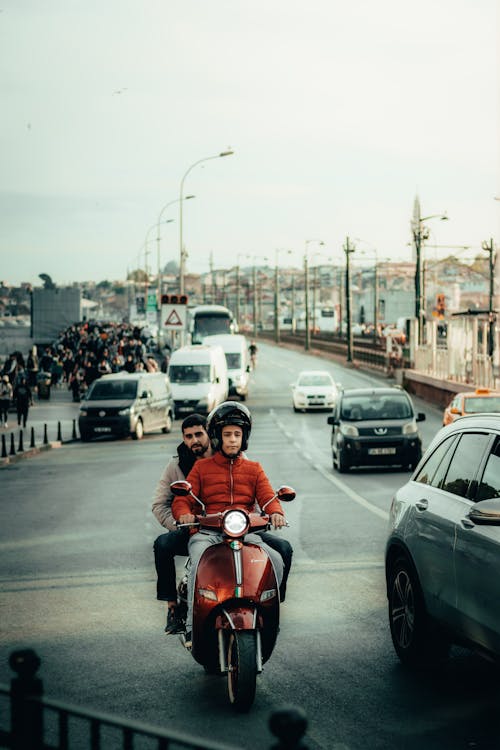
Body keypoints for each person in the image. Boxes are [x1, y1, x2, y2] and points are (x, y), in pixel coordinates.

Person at [172, 401, 291, 648]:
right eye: (227, 435)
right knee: (198, 562)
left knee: (276, 560)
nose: (233, 440)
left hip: (247, 534)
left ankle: (269, 617)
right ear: (217, 437)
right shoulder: (201, 468)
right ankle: (193, 626)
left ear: (244, 437)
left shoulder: (254, 468)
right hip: (208, 533)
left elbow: (268, 498)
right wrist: (184, 513)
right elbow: (183, 499)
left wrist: (276, 512)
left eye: (237, 434)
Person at [152, 413, 214, 634]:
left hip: (228, 528)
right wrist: (180, 525)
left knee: (278, 548)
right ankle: (172, 608)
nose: (194, 440)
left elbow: (250, 494)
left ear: (209, 432)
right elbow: (160, 504)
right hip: (190, 529)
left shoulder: (227, 455)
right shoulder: (176, 465)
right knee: (162, 545)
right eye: (188, 436)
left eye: (199, 434)